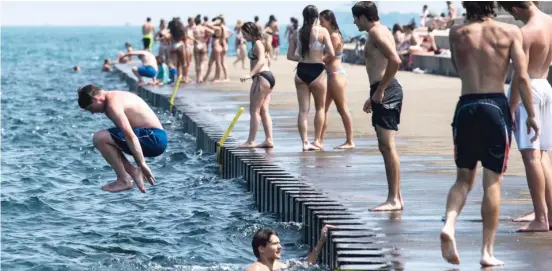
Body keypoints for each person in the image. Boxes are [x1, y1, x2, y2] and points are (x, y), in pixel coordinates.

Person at [439, 2, 539, 267]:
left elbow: (458, 67)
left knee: (463, 179)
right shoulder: (510, 32)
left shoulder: (456, 32)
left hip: (467, 105)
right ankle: (487, 252)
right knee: (492, 182)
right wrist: (531, 114)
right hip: (495, 106)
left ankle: (449, 223)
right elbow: (522, 77)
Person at [497, 1, 552, 232]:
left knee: (531, 158)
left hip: (529, 90)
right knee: (543, 156)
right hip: (546, 86)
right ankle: (547, 211)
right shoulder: (550, 22)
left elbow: (520, 76)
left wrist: (510, 108)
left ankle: (541, 217)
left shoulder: (524, 32)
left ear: (515, 9)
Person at [352, 1, 404, 211]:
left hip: (388, 90)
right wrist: (374, 93)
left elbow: (395, 60)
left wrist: (381, 90)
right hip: (383, 89)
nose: (355, 22)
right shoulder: (381, 31)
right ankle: (396, 197)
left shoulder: (376, 33)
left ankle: (394, 199)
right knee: (385, 147)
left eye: (356, 18)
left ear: (364, 17)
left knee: (387, 146)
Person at [77, 85, 168, 193]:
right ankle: (133, 173)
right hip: (151, 137)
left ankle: (123, 180)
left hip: (155, 138)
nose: (92, 113)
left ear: (95, 99)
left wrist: (142, 164)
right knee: (107, 142)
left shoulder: (112, 105)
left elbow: (130, 135)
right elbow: (122, 140)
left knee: (99, 138)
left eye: (91, 108)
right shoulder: (112, 98)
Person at [287, 5, 335, 152]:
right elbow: (332, 53)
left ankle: (304, 143)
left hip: (301, 71)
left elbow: (289, 56)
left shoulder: (296, 32)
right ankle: (317, 141)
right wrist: (321, 59)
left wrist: (301, 57)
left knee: (303, 111)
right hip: (317, 71)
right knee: (320, 108)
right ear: (316, 17)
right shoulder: (322, 31)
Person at [319, 9, 355, 149]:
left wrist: (313, 61)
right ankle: (320, 140)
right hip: (329, 74)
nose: (320, 24)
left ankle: (350, 141)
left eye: (322, 21)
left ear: (330, 20)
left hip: (335, 75)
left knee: (342, 109)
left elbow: (329, 56)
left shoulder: (334, 36)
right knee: (323, 109)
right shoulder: (330, 34)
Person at [238, 22, 276, 149]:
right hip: (267, 77)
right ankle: (269, 140)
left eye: (245, 34)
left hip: (261, 78)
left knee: (254, 111)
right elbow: (267, 60)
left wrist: (250, 74)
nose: (244, 37)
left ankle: (250, 141)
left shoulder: (258, 44)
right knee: (264, 111)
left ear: (251, 32)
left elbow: (260, 61)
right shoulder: (260, 42)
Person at [245, 225, 334, 271]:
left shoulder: (279, 265)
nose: (280, 247)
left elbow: (308, 263)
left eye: (279, 243)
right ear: (261, 248)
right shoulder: (255, 269)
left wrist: (322, 240)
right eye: (275, 243)